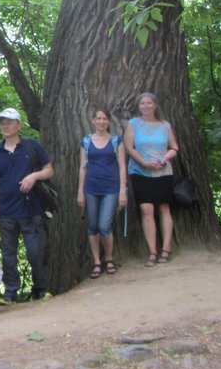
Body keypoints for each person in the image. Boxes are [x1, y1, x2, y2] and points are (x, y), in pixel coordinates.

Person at [0, 108, 54, 302]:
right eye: (2, 122)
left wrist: (33, 176)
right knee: (8, 255)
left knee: (35, 253)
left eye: (9, 122)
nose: (5, 126)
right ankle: (10, 293)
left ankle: (40, 290)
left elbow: (49, 170)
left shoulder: (31, 147)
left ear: (19, 125)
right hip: (6, 212)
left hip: (31, 210)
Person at [124, 92, 179, 267]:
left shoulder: (165, 125)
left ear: (155, 105)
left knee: (164, 207)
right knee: (146, 208)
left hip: (163, 171)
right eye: (142, 104)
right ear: (139, 106)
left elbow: (174, 147)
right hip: (140, 171)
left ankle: (166, 248)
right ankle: (152, 251)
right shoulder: (133, 124)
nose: (145, 106)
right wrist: (143, 162)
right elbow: (128, 146)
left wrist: (165, 159)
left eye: (148, 103)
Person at [76, 109, 127, 278]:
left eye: (104, 118)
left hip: (110, 189)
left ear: (108, 122)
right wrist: (80, 192)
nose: (101, 121)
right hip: (91, 188)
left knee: (104, 226)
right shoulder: (86, 141)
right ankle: (97, 262)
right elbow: (83, 167)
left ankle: (109, 258)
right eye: (98, 118)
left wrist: (122, 191)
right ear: (93, 121)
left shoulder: (116, 140)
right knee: (92, 226)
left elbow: (122, 167)